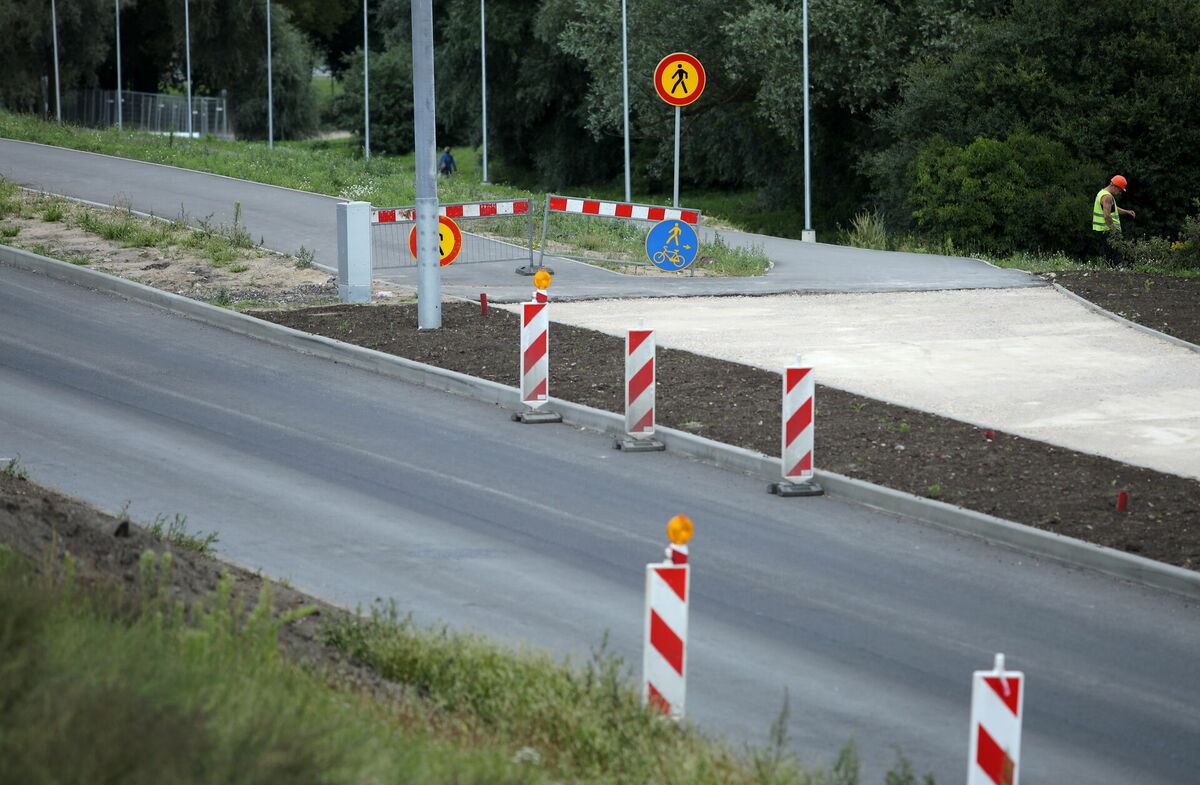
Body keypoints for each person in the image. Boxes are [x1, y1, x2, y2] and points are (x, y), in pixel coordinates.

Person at [1092, 174, 1136, 267]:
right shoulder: (1107, 197)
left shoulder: (1102, 193)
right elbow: (1107, 216)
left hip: (1102, 229)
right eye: (1120, 190)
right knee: (1117, 254)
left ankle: (1109, 273)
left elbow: (1113, 208)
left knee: (1109, 254)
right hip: (1107, 229)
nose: (1120, 192)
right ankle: (1119, 273)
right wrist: (1113, 231)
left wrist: (1127, 212)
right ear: (1115, 186)